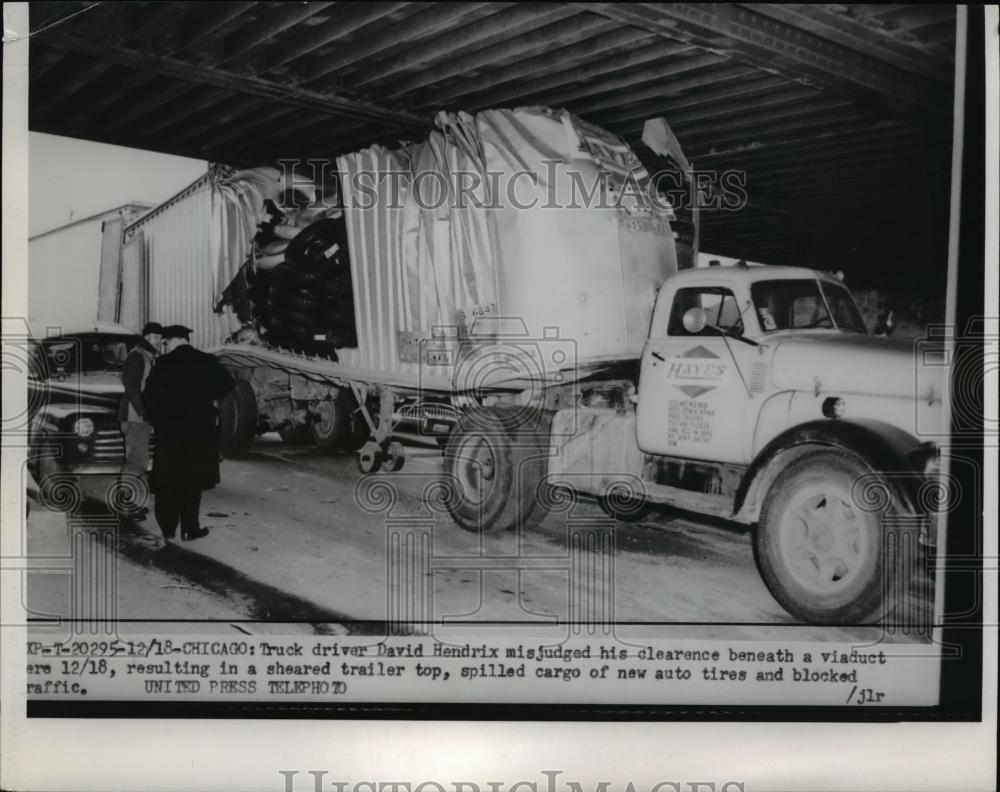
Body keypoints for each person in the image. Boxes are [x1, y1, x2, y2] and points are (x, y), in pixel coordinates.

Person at [142, 324, 235, 542]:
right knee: (192, 481)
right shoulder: (207, 360)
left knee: (168, 480)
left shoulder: (163, 363)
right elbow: (228, 384)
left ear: (172, 341)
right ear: (186, 339)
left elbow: (149, 397)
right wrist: (208, 397)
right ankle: (189, 529)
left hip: (171, 432)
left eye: (166, 343)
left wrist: (158, 420)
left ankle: (168, 529)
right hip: (199, 430)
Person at [117, 321, 162, 516]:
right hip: (135, 416)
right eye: (157, 337)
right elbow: (132, 388)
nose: (160, 341)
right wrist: (144, 412)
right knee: (136, 460)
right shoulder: (137, 356)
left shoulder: (147, 356)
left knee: (138, 460)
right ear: (148, 337)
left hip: (139, 417)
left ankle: (131, 500)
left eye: (160, 338)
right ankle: (128, 502)